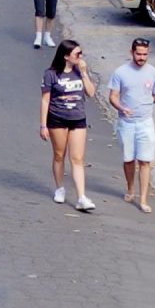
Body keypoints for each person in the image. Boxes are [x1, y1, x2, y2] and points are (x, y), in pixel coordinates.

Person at [105, 37, 155, 212]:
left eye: (145, 54)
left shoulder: (154, 73)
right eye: (138, 54)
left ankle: (143, 199)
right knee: (128, 159)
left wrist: (146, 101)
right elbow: (113, 96)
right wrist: (121, 108)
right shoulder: (120, 72)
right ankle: (130, 188)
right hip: (126, 123)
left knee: (145, 161)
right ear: (132, 52)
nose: (142, 58)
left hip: (145, 122)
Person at [39, 40, 98, 211]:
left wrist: (84, 73)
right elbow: (45, 100)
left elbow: (91, 93)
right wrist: (43, 125)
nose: (80, 57)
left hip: (77, 118)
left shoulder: (79, 71)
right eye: (77, 54)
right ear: (66, 56)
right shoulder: (51, 74)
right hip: (57, 118)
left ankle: (81, 197)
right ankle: (59, 188)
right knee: (59, 155)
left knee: (77, 158)